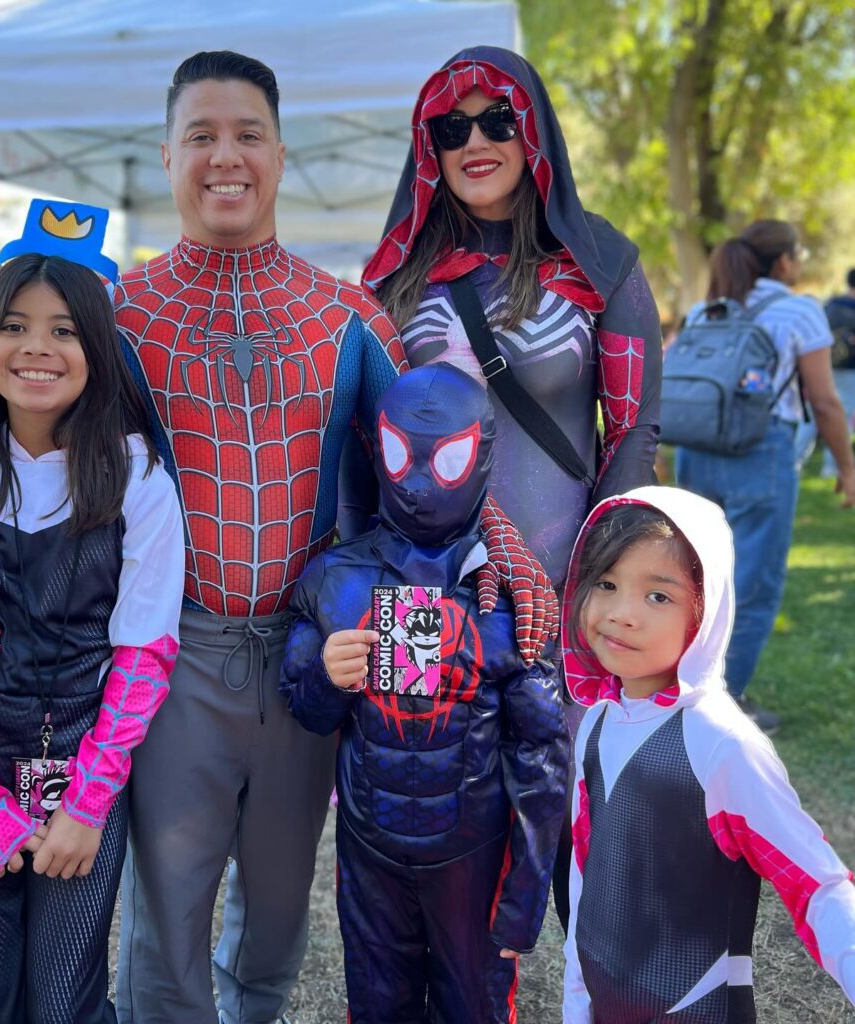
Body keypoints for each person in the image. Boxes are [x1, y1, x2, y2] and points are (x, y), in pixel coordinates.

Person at [110, 50, 557, 1024]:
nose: (225, 157)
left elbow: (424, 453)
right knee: (167, 916)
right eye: (201, 135)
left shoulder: (346, 315)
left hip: (317, 656)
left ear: (279, 152)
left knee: (274, 917)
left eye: (247, 134)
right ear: (166, 154)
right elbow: (39, 458)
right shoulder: (118, 315)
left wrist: (509, 552)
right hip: (175, 651)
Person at [362, 44, 662, 933]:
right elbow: (364, 448)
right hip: (427, 595)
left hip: (563, 593)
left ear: (535, 133)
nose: (475, 140)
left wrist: (601, 584)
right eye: (451, 128)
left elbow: (634, 428)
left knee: (577, 833)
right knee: (426, 835)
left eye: (498, 118)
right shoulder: (390, 281)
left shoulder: (599, 259)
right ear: (429, 152)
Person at [0, 201, 185, 1024]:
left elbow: (145, 651)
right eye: (14, 325)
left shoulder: (138, 483)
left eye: (64, 330)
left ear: (99, 348)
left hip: (85, 779)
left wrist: (86, 808)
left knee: (65, 1005)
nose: (37, 349)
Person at [280, 364, 569, 1023]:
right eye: (400, 454)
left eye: (449, 459)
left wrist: (523, 893)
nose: (417, 484)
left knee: (475, 1006)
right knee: (378, 1002)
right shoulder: (335, 580)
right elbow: (307, 708)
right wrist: (327, 671)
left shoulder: (512, 599)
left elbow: (543, 755)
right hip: (371, 847)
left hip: (473, 855)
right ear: (376, 448)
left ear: (482, 456)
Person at [561, 486, 855, 1022]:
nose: (621, 613)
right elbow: (588, 874)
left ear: (705, 612)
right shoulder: (597, 724)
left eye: (658, 596)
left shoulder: (720, 742)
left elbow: (817, 885)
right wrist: (576, 1001)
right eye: (605, 584)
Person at [675, 221, 855, 733]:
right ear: (783, 262)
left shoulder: (704, 308)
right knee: (753, 583)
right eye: (798, 255)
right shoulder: (799, 310)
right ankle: (721, 705)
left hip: (697, 450)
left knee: (692, 577)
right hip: (762, 452)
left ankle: (675, 687)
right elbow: (823, 399)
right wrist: (846, 465)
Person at [820, 267, 855, 476]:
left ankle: (800, 457)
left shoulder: (830, 306)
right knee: (843, 417)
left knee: (822, 415)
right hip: (849, 370)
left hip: (826, 367)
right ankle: (832, 466)